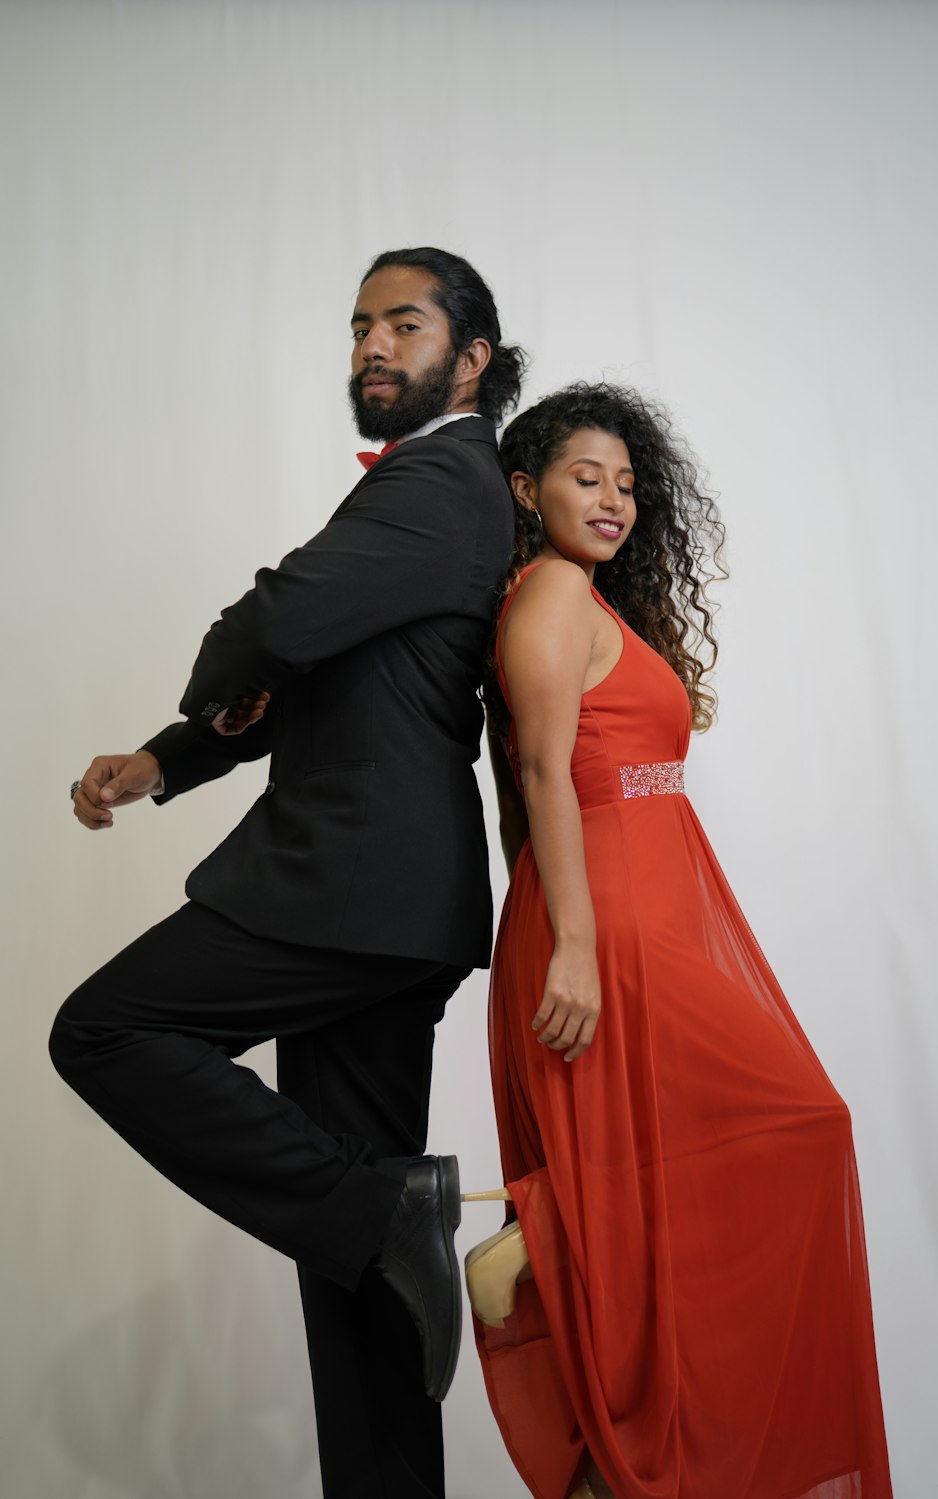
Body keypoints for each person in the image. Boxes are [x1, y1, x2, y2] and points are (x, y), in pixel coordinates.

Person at [49, 246, 525, 1499]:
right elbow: (309, 667)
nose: (371, 345)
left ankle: (382, 1206)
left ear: (469, 358)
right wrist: (165, 757)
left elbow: (282, 626)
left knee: (101, 1029)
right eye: (360, 325)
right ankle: (383, 1223)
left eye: (404, 325)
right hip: (385, 896)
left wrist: (240, 634)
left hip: (355, 880)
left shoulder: (441, 482)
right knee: (368, 1277)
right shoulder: (430, 492)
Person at [465, 384, 894, 1499]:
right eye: (582, 477)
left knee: (682, 1162)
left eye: (625, 481)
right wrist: (570, 943)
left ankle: (570, 1298)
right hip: (602, 914)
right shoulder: (553, 592)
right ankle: (534, 1251)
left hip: (643, 898)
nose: (611, 499)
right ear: (526, 490)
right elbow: (541, 770)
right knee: (787, 1124)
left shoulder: (590, 598)